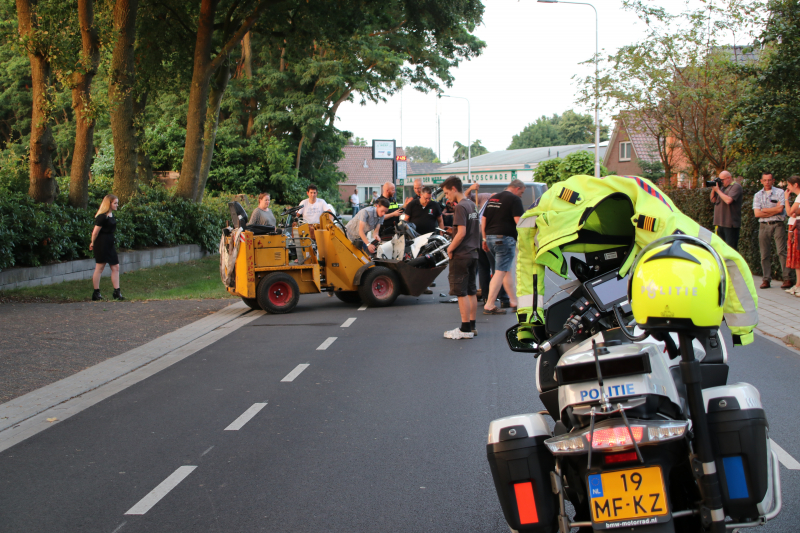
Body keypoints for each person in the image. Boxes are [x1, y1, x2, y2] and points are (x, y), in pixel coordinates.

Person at [442, 176, 480, 339]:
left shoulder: (460, 207)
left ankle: (464, 329)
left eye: (446, 192)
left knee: (461, 292)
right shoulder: (472, 205)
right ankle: (472, 326)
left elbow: (462, 232)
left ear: (453, 189)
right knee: (471, 290)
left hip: (462, 254)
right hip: (473, 253)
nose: (446, 196)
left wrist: (450, 249)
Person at [481, 180, 525, 315]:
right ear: (517, 188)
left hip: (490, 237)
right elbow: (519, 222)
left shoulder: (494, 198)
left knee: (505, 270)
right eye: (522, 192)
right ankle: (489, 304)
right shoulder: (514, 199)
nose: (521, 195)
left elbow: (483, 218)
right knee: (500, 271)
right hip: (505, 239)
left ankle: (514, 301)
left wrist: (484, 238)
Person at [753, 172, 792, 289]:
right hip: (764, 226)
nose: (767, 182)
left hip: (778, 224)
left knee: (781, 251)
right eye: (765, 180)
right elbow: (757, 213)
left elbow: (781, 209)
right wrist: (774, 210)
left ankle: (787, 278)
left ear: (773, 180)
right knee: (764, 253)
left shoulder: (780, 192)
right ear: (761, 181)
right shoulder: (758, 195)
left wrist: (764, 210)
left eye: (769, 180)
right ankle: (766, 279)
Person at [89, 194, 124, 301]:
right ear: (108, 204)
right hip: (101, 243)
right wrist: (92, 243)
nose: (117, 205)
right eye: (115, 203)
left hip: (110, 243)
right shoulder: (102, 217)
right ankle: (96, 292)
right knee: (100, 267)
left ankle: (117, 292)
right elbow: (95, 233)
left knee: (116, 267)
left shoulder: (111, 215)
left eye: (117, 203)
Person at [709, 170, 743, 250]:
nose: (721, 182)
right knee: (720, 249)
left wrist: (718, 190)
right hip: (719, 223)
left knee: (730, 249)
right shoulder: (722, 188)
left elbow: (728, 200)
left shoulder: (736, 187)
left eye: (722, 180)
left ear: (729, 178)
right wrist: (714, 189)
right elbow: (713, 200)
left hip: (730, 224)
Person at [784, 176, 800, 295]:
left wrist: (786, 199)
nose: (787, 187)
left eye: (789, 185)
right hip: (794, 226)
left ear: (795, 185)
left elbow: (790, 212)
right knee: (795, 257)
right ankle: (798, 284)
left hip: (797, 227)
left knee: (797, 257)